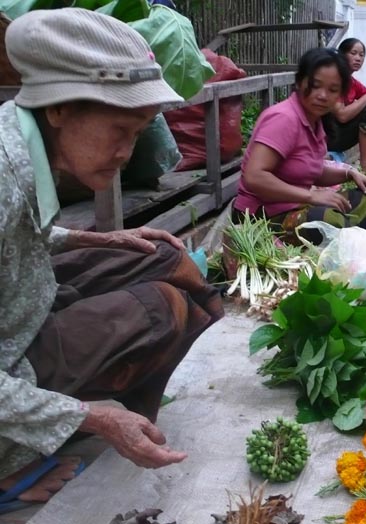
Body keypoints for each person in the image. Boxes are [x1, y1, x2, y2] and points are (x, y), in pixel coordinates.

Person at [0, 8, 224, 514]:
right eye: (120, 128)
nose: (128, 151)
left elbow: (16, 241)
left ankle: (136, 414)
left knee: (164, 254)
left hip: (21, 310)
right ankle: (12, 462)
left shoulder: (19, 137)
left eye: (140, 131)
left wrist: (99, 239)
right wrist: (92, 418)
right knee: (161, 309)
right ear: (58, 109)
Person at [232, 47, 366, 245]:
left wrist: (349, 173)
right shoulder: (284, 118)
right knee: (327, 222)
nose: (323, 95)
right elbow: (254, 176)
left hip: (296, 206)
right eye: (315, 86)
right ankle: (360, 241)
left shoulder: (316, 120)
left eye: (332, 90)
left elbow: (308, 170)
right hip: (262, 217)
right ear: (299, 82)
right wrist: (311, 196)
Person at [326, 38, 366, 170]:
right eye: (353, 53)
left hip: (340, 134)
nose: (358, 58)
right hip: (328, 137)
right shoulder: (335, 80)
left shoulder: (351, 82)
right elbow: (341, 116)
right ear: (342, 55)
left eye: (361, 55)